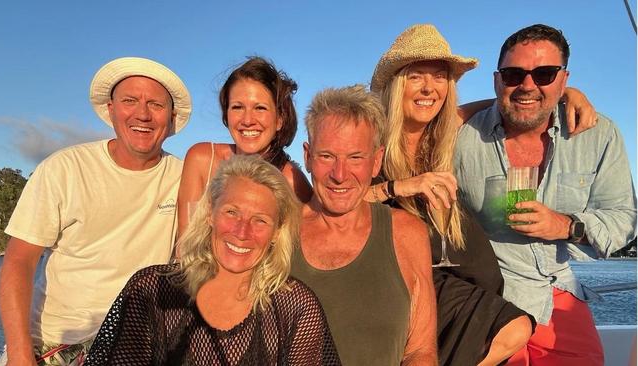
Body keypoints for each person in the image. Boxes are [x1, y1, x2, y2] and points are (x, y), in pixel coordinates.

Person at [454, 24, 637, 365]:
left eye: (544, 74)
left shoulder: (597, 135)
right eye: (513, 74)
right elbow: (410, 122)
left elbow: (624, 219)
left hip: (557, 294)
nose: (527, 85)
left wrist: (566, 226)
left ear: (564, 79)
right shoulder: (462, 138)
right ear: (497, 81)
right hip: (485, 296)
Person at [0, 57, 192, 365]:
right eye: (130, 101)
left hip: (135, 345)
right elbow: (19, 261)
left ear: (171, 117)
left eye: (156, 104)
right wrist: (20, 353)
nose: (142, 114)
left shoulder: (184, 178)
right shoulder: (65, 168)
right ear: (111, 109)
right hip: (54, 343)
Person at [368, 24, 534, 366]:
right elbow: (335, 199)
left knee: (512, 334)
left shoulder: (438, 139)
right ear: (397, 83)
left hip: (452, 282)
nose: (429, 88)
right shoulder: (372, 137)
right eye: (416, 76)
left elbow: (484, 107)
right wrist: (400, 187)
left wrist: (564, 95)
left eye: (440, 77)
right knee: (514, 329)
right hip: (401, 281)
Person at [84, 155, 340, 365]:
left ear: (276, 232)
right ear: (209, 213)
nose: (242, 232)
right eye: (232, 212)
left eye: (260, 220)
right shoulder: (152, 290)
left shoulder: (296, 308)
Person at [291, 85, 437, 365]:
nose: (340, 174)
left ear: (376, 161)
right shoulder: (278, 233)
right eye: (327, 156)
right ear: (308, 156)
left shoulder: (406, 232)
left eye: (355, 157)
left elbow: (421, 350)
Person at [178, 57, 311, 236]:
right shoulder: (202, 159)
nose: (247, 120)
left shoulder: (292, 181)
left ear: (280, 119)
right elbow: (186, 243)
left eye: (260, 108)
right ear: (226, 115)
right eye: (238, 107)